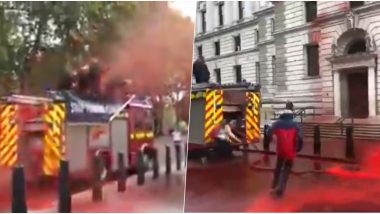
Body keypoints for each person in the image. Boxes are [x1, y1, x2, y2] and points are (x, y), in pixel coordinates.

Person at [268, 109, 303, 197]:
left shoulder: (277, 123)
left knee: (278, 167)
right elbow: (300, 138)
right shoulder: (295, 125)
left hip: (280, 151)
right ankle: (280, 188)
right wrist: (298, 148)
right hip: (291, 152)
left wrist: (270, 140)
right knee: (286, 170)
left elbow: (269, 132)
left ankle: (274, 185)